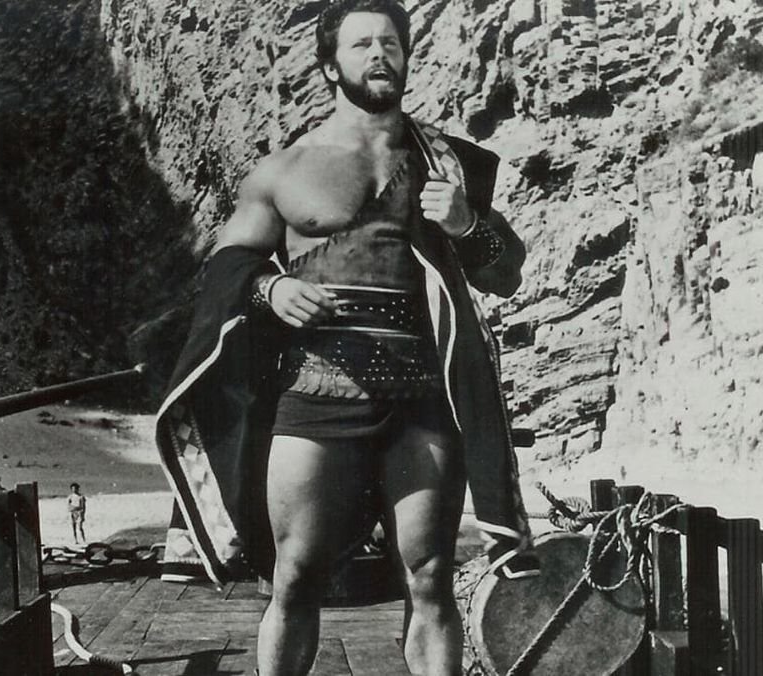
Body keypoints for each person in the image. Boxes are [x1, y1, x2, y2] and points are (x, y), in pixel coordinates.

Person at [153, 2, 538, 674]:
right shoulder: (285, 170)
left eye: (391, 42)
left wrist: (466, 224)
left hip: (422, 399)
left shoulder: (447, 165)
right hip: (316, 392)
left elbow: (505, 274)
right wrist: (268, 289)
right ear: (331, 66)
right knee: (296, 576)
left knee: (430, 576)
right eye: (361, 44)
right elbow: (225, 267)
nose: (379, 54)